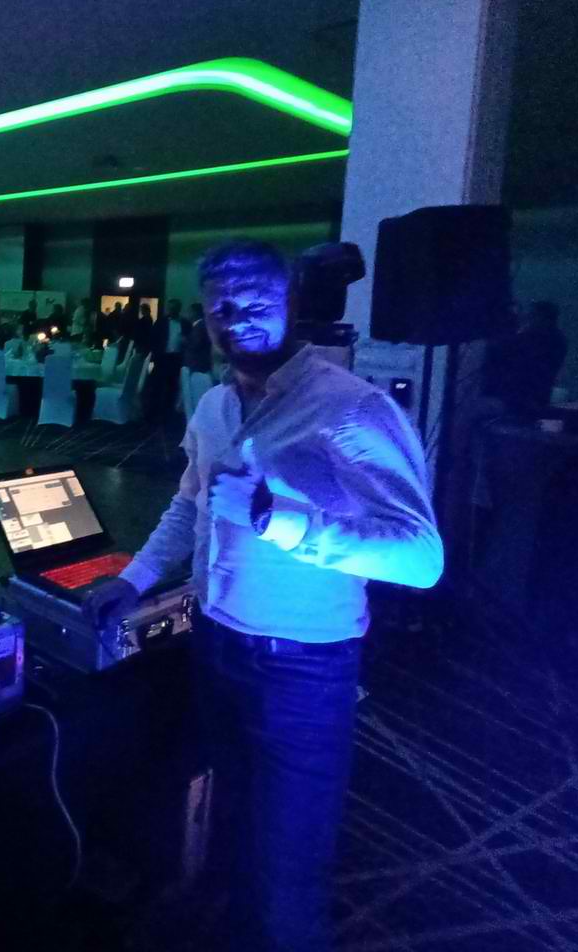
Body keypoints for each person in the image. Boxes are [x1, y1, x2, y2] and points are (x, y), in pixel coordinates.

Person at [83, 240, 442, 952]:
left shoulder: (350, 409)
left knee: (288, 866)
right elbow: (188, 505)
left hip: (301, 666)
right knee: (233, 821)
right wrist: (133, 579)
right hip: (216, 644)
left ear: (291, 305)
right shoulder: (215, 405)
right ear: (205, 316)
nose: (237, 318)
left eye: (257, 302)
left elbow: (420, 556)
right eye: (222, 306)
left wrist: (281, 520)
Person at [484, 300, 567, 416]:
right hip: (535, 398)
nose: (528, 319)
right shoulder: (557, 339)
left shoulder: (535, 338)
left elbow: (500, 350)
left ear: (542, 317)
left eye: (532, 316)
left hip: (518, 400)